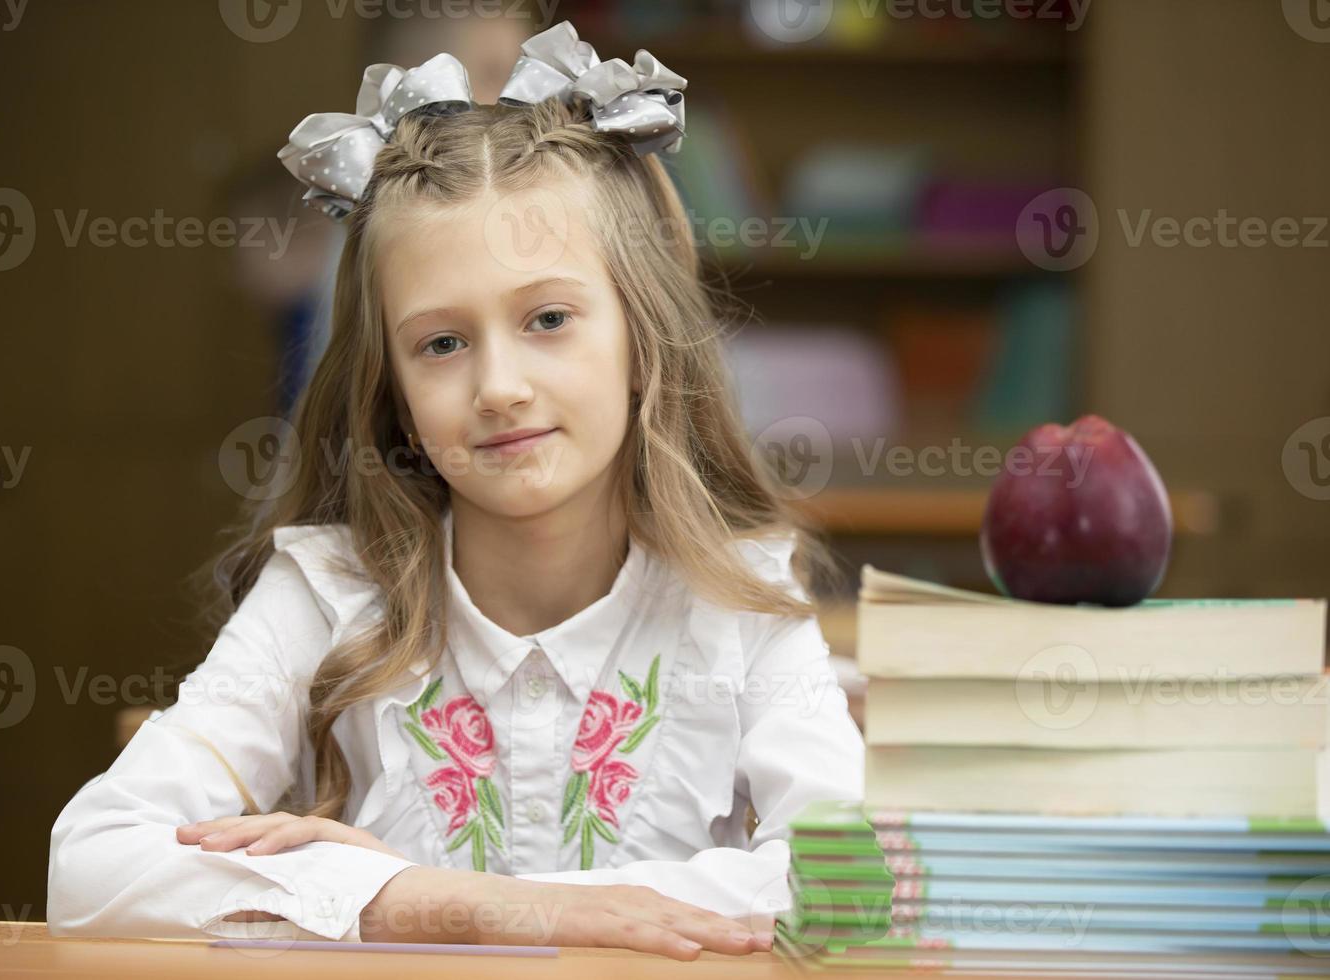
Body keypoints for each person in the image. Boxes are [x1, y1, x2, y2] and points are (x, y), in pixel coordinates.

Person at [47, 21, 863, 961]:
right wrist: (447, 906)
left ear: (645, 338)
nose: (499, 386)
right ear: (387, 380)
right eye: (441, 342)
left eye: (549, 318)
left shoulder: (743, 601)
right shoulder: (327, 596)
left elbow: (837, 888)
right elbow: (91, 864)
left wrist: (452, 900)